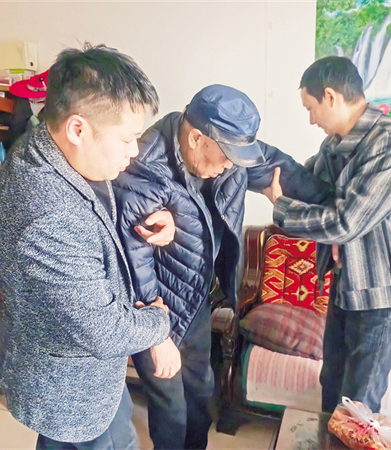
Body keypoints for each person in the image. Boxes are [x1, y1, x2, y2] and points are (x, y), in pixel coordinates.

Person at [111, 84, 332, 449]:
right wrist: (156, 332)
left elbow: (282, 170)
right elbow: (137, 259)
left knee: (201, 392)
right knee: (171, 404)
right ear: (196, 138)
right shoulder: (144, 165)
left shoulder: (229, 151)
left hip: (197, 296)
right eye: (227, 157)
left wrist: (335, 208)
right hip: (154, 303)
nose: (232, 166)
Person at [0, 44, 175, 449]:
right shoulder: (48, 214)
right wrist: (159, 323)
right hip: (72, 389)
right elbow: (105, 332)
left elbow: (98, 213)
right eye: (127, 139)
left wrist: (160, 213)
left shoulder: (48, 144)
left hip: (78, 370)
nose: (134, 151)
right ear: (77, 129)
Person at [263, 56, 391, 414]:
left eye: (311, 108)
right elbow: (309, 185)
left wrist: (280, 207)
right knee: (332, 384)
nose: (311, 119)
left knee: (358, 403)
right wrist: (255, 166)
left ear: (331, 97)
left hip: (382, 294)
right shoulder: (334, 146)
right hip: (346, 284)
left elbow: (346, 222)